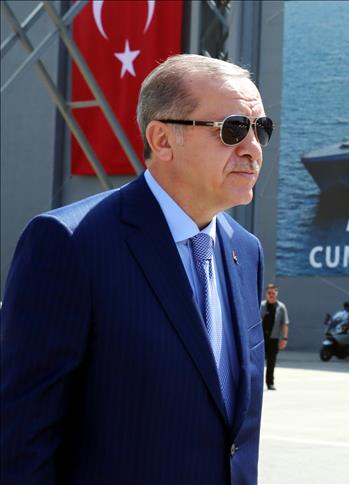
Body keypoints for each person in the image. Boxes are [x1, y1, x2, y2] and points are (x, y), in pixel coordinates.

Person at [1, 54, 272, 484]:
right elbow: (22, 437)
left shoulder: (246, 251)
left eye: (261, 129)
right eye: (233, 129)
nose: (252, 148)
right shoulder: (70, 243)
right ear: (162, 139)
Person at [260, 283, 289, 391]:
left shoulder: (281, 307)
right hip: (260, 340)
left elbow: (284, 323)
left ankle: (270, 383)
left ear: (276, 293)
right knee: (258, 362)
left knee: (271, 362)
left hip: (273, 339)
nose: (271, 295)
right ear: (266, 294)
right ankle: (256, 383)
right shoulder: (261, 305)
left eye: (273, 293)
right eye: (269, 293)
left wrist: (284, 338)